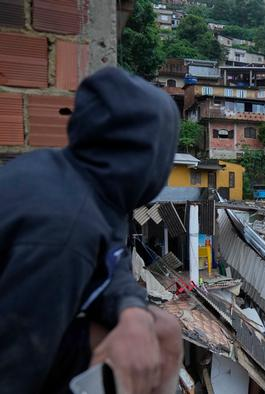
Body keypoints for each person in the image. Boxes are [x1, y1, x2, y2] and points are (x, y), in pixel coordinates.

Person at [0, 67, 183, 394]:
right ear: (149, 156)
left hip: (31, 333)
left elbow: (112, 259)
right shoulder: (63, 233)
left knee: (162, 330)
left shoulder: (88, 182)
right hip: (18, 357)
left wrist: (130, 310)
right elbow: (14, 368)